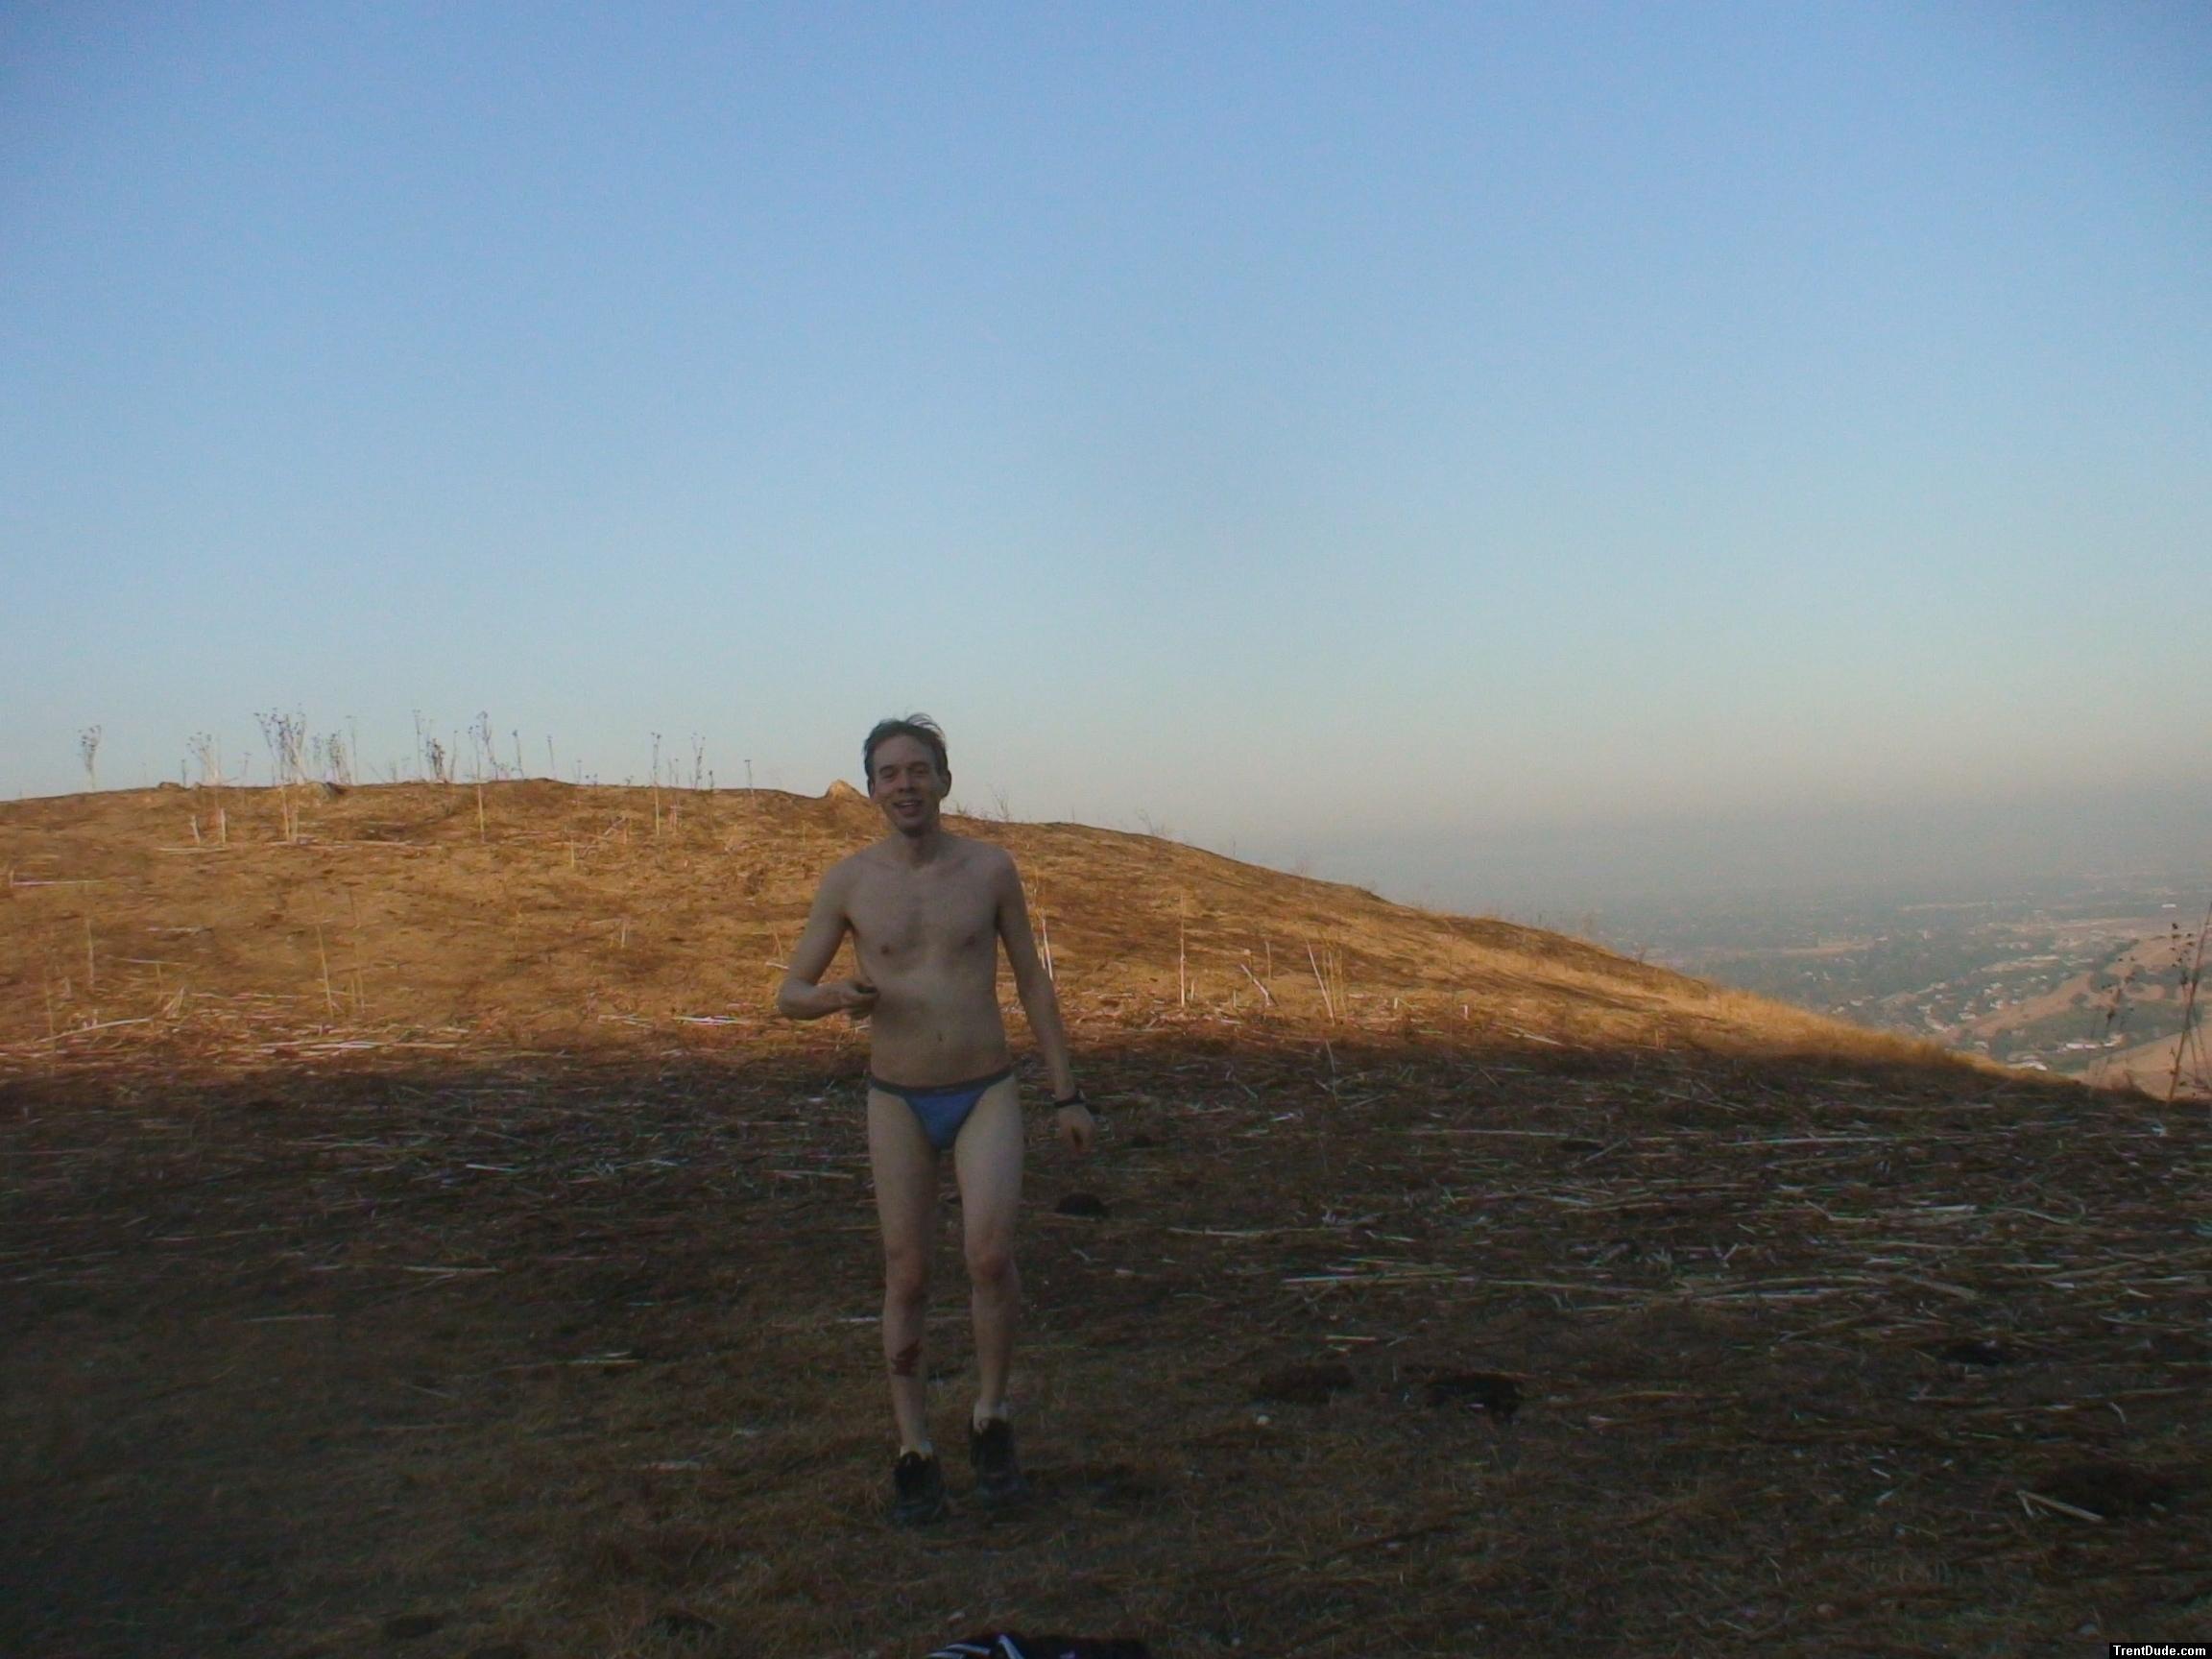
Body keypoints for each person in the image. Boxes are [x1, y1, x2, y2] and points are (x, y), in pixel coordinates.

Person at [776, 714, 1094, 1524]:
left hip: (985, 1088)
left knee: (989, 1256)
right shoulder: (849, 881)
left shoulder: (989, 869)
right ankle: (913, 1447)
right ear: (872, 789)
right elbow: (790, 995)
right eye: (889, 773)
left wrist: (1066, 1093)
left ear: (944, 781)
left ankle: (992, 1417)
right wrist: (836, 996)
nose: (905, 785)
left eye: (918, 770)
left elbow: (1032, 983)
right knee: (908, 1273)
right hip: (897, 1099)